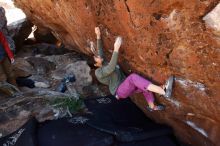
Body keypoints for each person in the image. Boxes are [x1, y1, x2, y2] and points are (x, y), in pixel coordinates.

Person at [92, 27, 174, 111]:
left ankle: (152, 106)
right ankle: (164, 91)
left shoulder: (103, 62)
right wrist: (116, 48)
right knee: (133, 77)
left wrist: (98, 35)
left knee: (144, 84)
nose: (98, 56)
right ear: (96, 64)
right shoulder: (98, 72)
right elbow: (111, 68)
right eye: (96, 57)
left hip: (126, 87)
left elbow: (100, 51)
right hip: (119, 90)